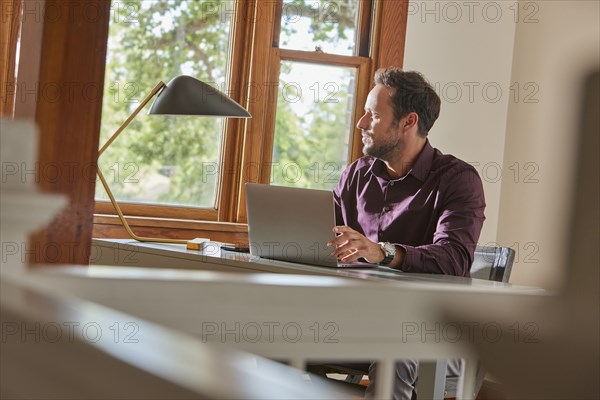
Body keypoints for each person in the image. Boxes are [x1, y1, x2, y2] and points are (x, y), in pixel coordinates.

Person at [327, 67, 486, 399]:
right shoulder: (355, 175)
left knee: (396, 345)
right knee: (270, 335)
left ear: (408, 122)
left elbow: (454, 258)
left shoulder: (458, 180)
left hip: (432, 331)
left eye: (372, 115)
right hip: (356, 320)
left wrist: (383, 252)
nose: (360, 124)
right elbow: (328, 245)